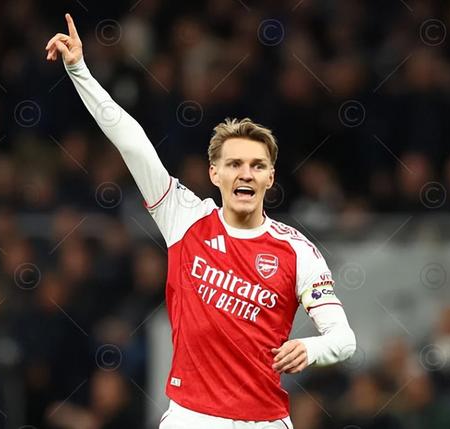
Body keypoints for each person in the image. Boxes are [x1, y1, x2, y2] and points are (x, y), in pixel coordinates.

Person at [45, 14, 356, 429]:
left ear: (270, 177)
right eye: (234, 164)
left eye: (257, 166)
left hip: (264, 422)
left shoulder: (298, 251)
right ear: (214, 173)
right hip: (190, 418)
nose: (246, 174)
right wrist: (80, 71)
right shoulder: (184, 216)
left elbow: (343, 339)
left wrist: (310, 349)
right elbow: (132, 141)